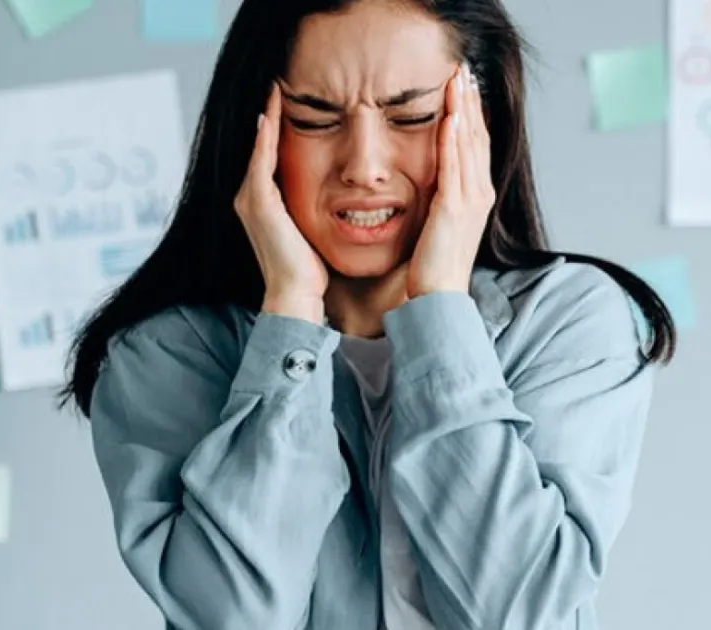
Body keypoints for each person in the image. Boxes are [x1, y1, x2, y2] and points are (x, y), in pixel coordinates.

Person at [59, 0, 676, 628]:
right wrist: (290, 322)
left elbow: (518, 616)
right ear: (254, 132)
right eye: (314, 119)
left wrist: (440, 306)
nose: (365, 168)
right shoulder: (166, 353)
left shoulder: (570, 320)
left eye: (411, 116)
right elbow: (236, 617)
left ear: (479, 124)